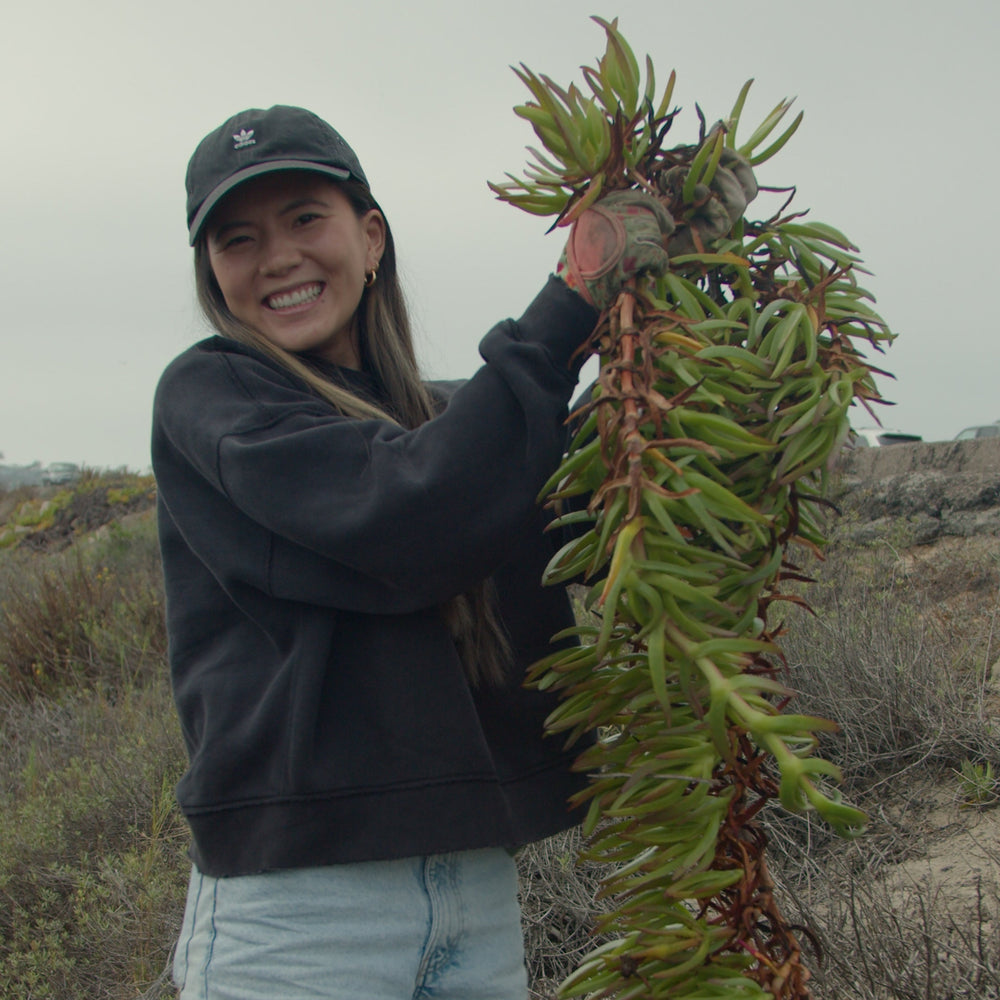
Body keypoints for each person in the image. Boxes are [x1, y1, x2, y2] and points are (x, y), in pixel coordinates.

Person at [153, 104, 675, 1000]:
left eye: (305, 219)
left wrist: (687, 284)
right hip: (297, 920)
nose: (277, 257)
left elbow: (622, 514)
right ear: (212, 272)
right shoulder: (213, 399)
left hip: (476, 899)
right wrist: (572, 294)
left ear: (371, 236)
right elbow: (411, 513)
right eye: (237, 240)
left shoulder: (456, 427)